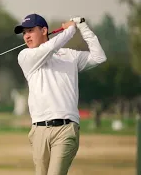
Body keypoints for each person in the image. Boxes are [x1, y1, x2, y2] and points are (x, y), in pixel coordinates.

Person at [13, 13, 107, 175]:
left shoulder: (69, 55)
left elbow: (99, 57)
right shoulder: (25, 56)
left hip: (65, 129)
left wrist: (83, 27)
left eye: (30, 31)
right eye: (24, 33)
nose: (26, 36)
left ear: (44, 31)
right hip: (39, 131)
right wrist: (70, 30)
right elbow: (49, 48)